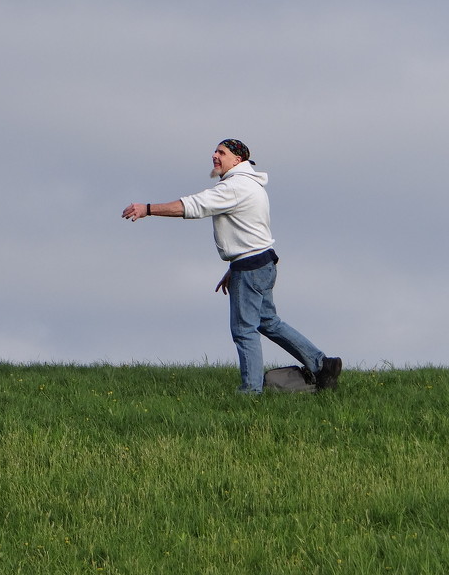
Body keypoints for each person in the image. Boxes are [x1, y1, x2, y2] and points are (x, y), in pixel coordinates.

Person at [121, 139, 341, 394]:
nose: (214, 155)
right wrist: (232, 268)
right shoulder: (250, 185)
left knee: (244, 329)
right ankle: (322, 364)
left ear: (237, 160)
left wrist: (147, 209)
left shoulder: (234, 187)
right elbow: (250, 231)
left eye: (221, 152)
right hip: (262, 263)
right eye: (215, 151)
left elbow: (191, 206)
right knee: (268, 322)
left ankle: (251, 391)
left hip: (250, 268)